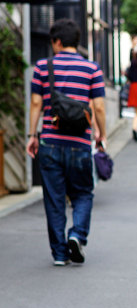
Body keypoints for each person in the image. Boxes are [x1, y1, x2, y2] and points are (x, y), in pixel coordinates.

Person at [27, 18, 107, 266]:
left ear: (58, 42)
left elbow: (36, 103)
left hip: (51, 142)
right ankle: (77, 234)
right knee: (83, 193)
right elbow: (100, 107)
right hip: (80, 144)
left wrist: (32, 135)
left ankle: (60, 254)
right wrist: (101, 135)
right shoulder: (92, 69)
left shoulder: (42, 67)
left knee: (54, 198)